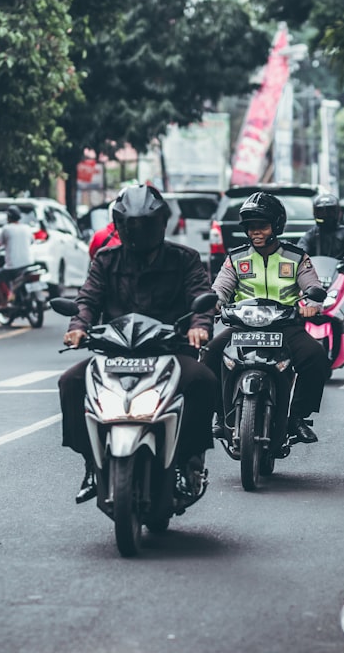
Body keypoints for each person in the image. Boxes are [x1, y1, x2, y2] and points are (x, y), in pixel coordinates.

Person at [58, 185, 217, 504]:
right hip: (115, 352)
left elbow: (201, 296)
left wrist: (199, 327)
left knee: (204, 381)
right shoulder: (106, 259)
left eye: (144, 224)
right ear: (120, 225)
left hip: (169, 350)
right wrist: (78, 326)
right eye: (131, 225)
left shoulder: (184, 258)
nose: (137, 231)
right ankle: (92, 464)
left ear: (161, 224)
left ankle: (188, 461)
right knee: (70, 383)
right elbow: (88, 298)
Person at [205, 191, 331, 444]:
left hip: (285, 327)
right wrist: (214, 304)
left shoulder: (296, 257)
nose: (255, 232)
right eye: (251, 227)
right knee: (209, 354)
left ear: (276, 226)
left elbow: (311, 285)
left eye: (261, 226)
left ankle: (297, 417)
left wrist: (311, 301)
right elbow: (220, 289)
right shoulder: (236, 259)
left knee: (317, 358)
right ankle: (220, 416)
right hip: (242, 328)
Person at [298, 193, 344, 355]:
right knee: (296, 306)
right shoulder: (312, 233)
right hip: (314, 280)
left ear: (338, 213)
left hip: (339, 279)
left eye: (329, 211)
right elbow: (301, 249)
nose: (326, 216)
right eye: (322, 212)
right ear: (315, 213)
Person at [0, 205, 34, 310]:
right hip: (29, 264)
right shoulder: (27, 228)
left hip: (13, 267)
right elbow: (32, 241)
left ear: (9, 217)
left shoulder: (6, 229)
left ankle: (3, 304)